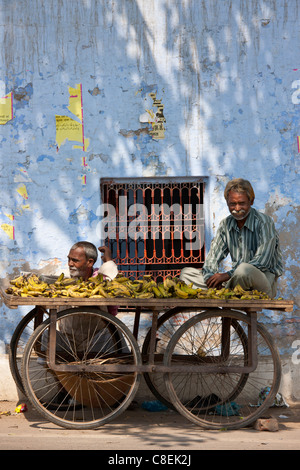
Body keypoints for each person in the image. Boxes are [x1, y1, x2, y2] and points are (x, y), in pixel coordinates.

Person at [180, 178, 283, 298]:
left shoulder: (264, 222)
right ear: (227, 202)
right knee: (186, 274)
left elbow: (261, 261)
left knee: (244, 270)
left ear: (251, 201)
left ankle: (225, 293)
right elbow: (212, 258)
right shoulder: (225, 224)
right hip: (234, 280)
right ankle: (224, 292)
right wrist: (211, 280)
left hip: (261, 282)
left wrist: (227, 275)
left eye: (242, 203)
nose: (237, 208)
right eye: (232, 204)